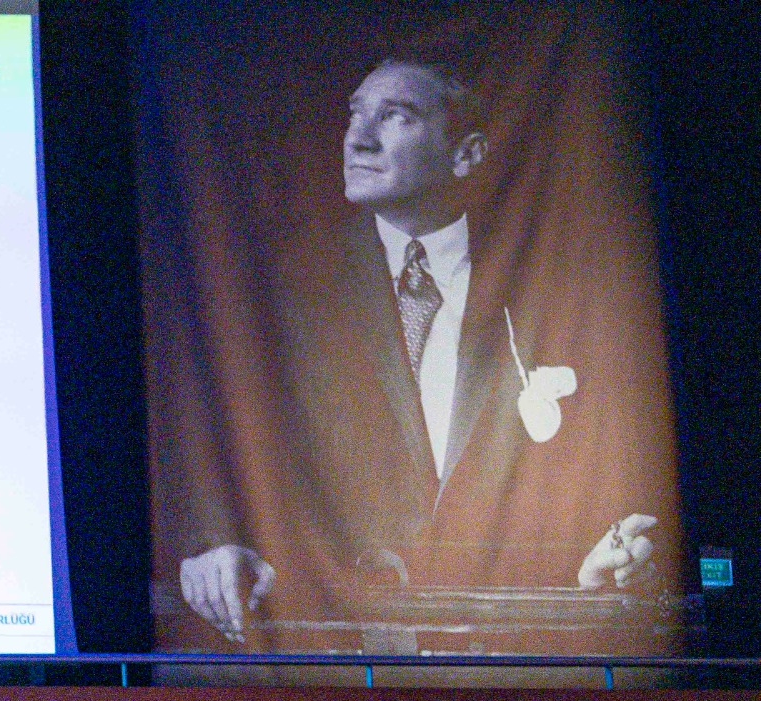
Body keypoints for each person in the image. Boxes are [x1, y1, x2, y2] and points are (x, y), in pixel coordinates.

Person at [170, 51, 671, 646]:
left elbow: (595, 468)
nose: (358, 139)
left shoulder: (547, 282)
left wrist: (598, 560)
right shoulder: (287, 289)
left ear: (467, 154)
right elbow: (217, 436)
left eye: (396, 116)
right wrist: (212, 544)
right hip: (336, 656)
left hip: (513, 653)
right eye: (355, 114)